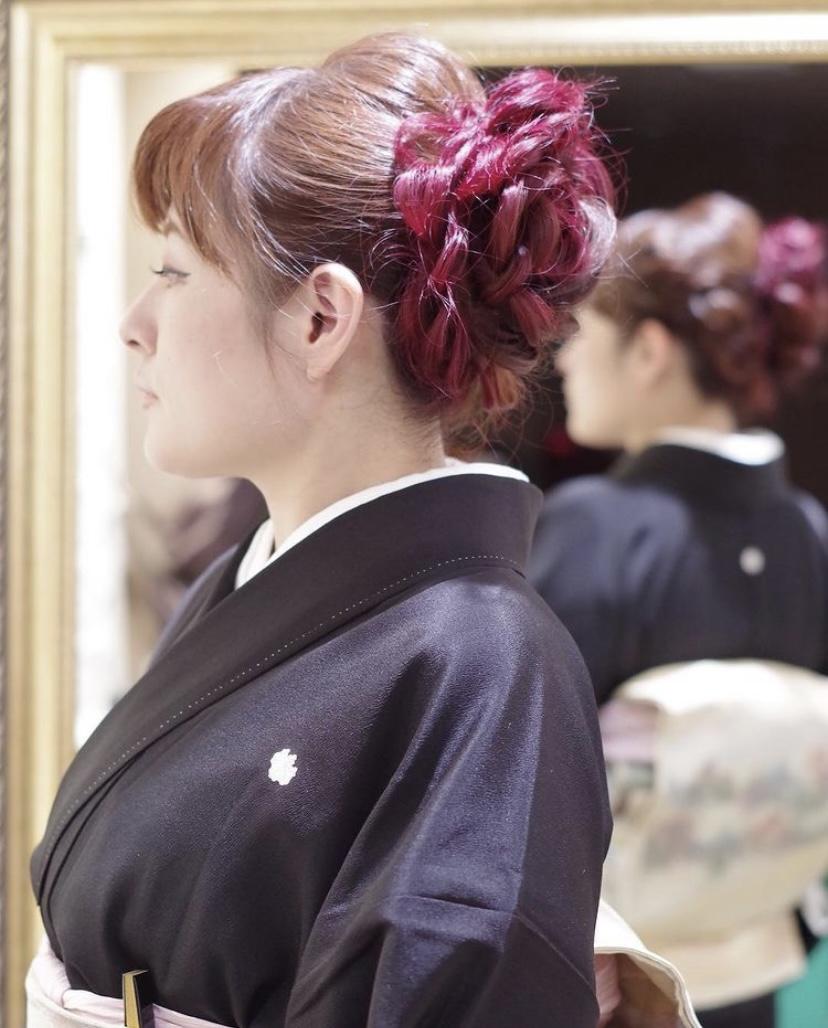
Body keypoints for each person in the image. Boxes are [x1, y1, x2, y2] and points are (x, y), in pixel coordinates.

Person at [27, 34, 620, 1028]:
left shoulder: (483, 663)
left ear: (319, 320)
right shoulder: (247, 583)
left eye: (173, 271)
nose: (135, 321)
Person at [529, 192, 828, 1028]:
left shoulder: (596, 526)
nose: (564, 360)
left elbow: (532, 771)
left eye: (583, 332)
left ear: (649, 351)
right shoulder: (807, 531)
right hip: (753, 957)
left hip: (624, 980)